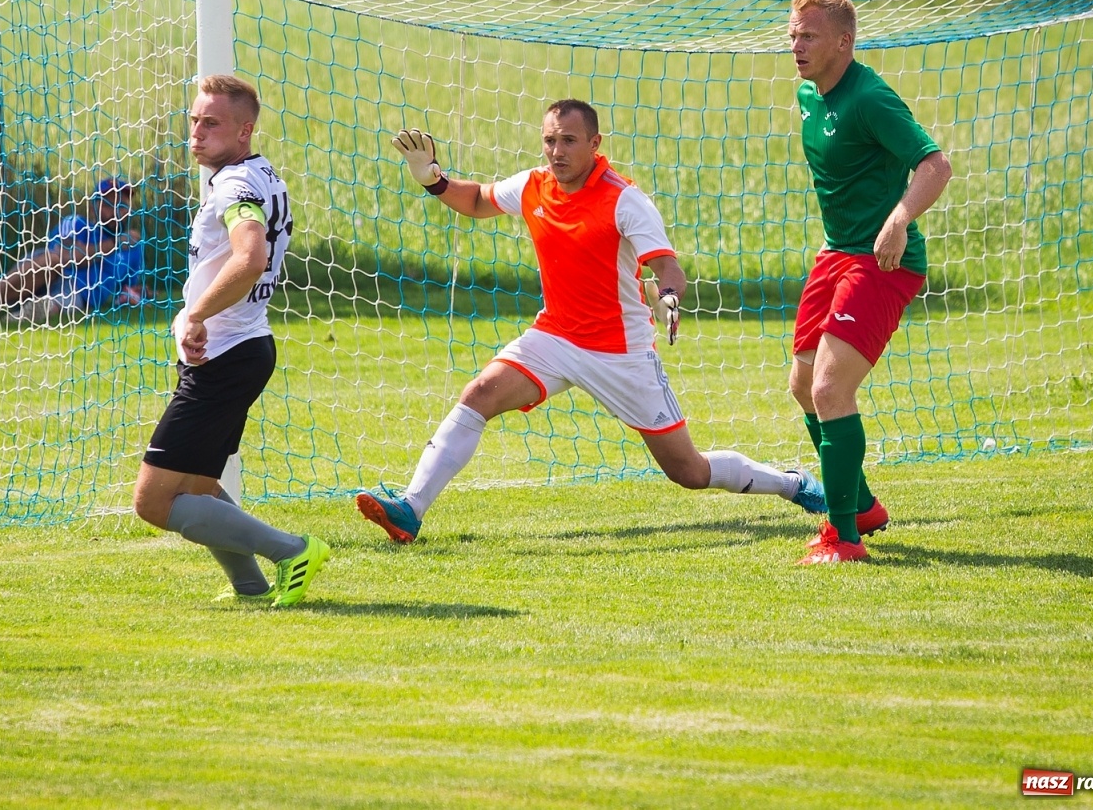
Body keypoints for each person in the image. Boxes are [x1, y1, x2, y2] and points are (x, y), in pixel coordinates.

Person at [355, 99, 828, 545]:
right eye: (549, 140)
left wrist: (667, 298)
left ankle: (790, 483)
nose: (556, 151)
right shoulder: (534, 185)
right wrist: (432, 180)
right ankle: (409, 510)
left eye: (568, 141)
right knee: (479, 394)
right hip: (554, 336)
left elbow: (669, 270)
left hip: (621, 352)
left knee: (689, 472)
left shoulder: (625, 200)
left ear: (595, 144)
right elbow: (478, 200)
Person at [130, 74, 328, 607]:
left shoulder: (235, 187)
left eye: (211, 123)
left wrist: (196, 314)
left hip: (224, 357)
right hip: (239, 352)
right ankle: (250, 586)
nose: (196, 132)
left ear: (244, 131)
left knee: (153, 502)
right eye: (194, 120)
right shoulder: (258, 174)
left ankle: (293, 550)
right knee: (194, 488)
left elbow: (250, 257)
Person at [786, 0, 953, 564]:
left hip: (882, 260)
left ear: (843, 42)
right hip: (836, 254)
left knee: (832, 389)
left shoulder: (871, 99)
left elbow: (936, 164)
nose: (796, 44)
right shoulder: (808, 95)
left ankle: (843, 538)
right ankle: (861, 506)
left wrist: (900, 219)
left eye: (809, 35)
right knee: (803, 386)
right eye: (793, 33)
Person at [0, 176, 147, 324]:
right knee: (52, 261)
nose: (115, 212)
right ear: (93, 206)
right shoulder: (76, 224)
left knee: (60, 302)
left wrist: (139, 294)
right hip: (48, 275)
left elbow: (127, 288)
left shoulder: (133, 247)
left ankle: (17, 309)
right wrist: (114, 245)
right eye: (108, 205)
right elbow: (65, 257)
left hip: (80, 294)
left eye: (121, 206)